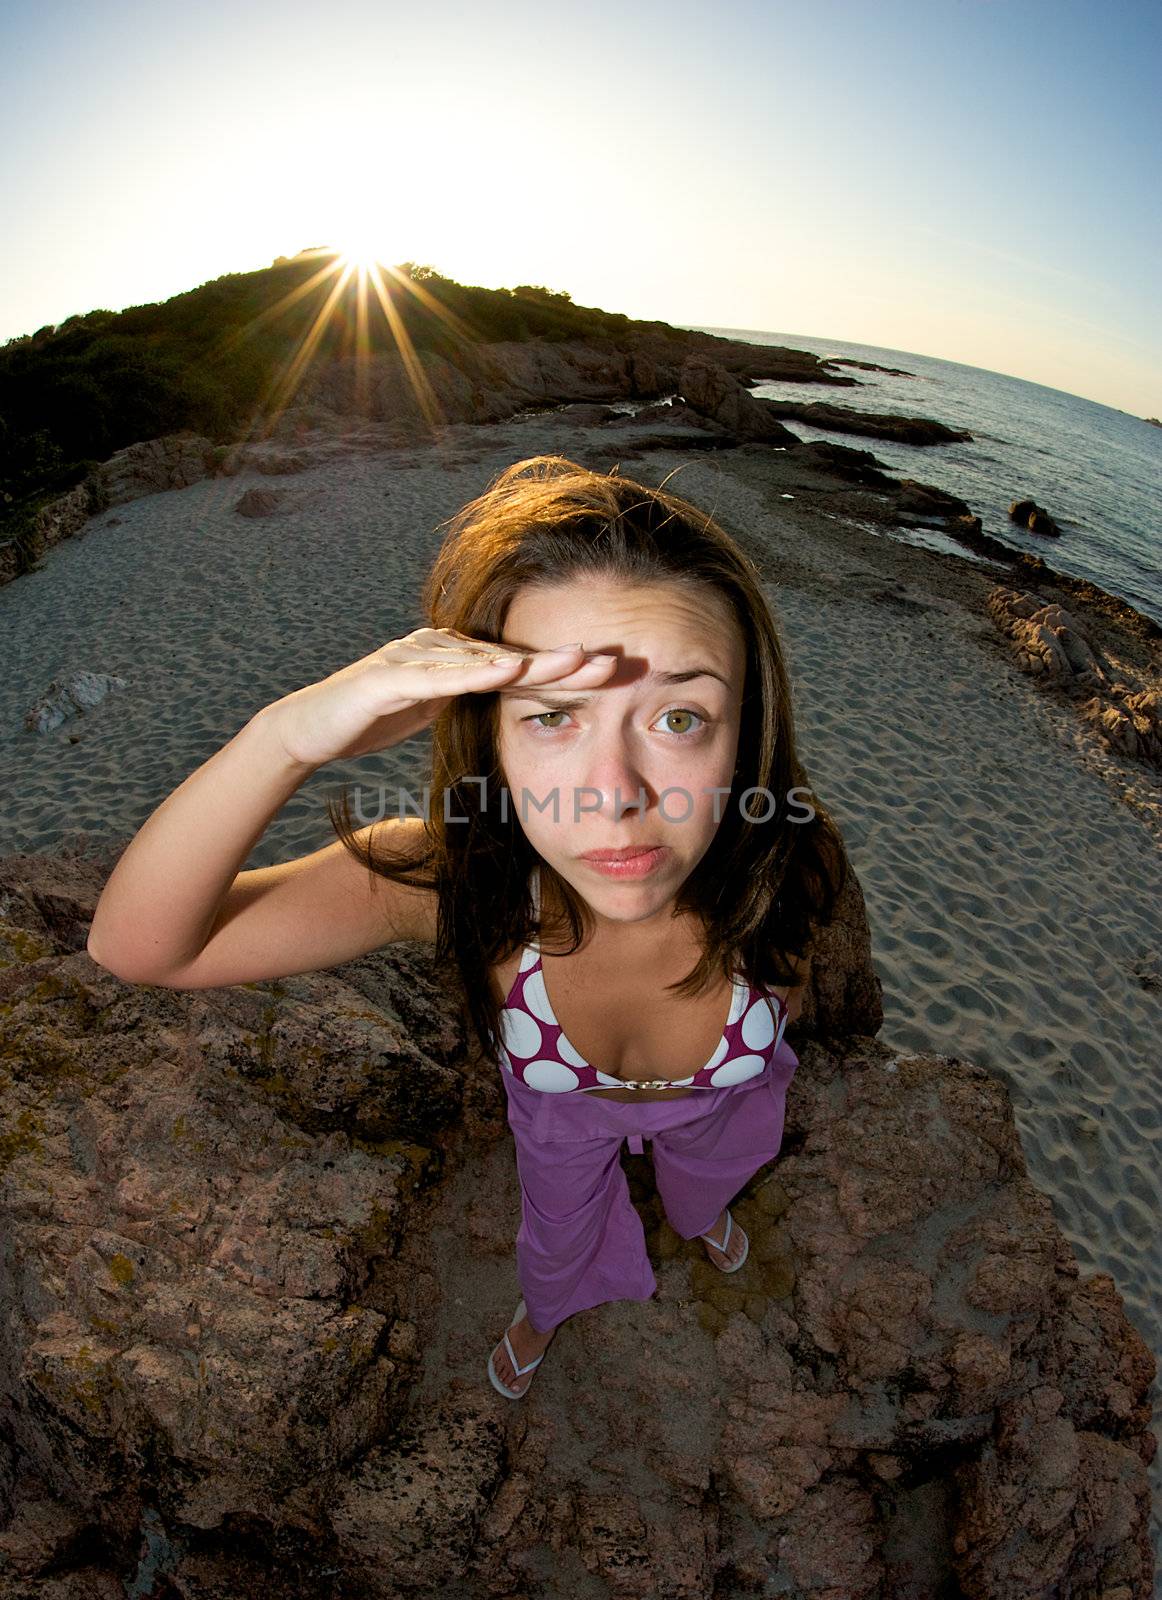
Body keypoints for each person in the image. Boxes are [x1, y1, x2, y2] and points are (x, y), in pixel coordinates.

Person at [86, 454, 848, 1402]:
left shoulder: (788, 862)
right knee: (557, 1237)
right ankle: (547, 1308)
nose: (615, 796)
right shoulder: (456, 881)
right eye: (553, 718)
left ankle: (698, 1218)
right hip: (562, 1130)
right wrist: (286, 735)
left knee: (709, 1180)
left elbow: (796, 980)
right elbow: (141, 947)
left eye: (681, 716)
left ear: (748, 735)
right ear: (490, 732)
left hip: (721, 1108)